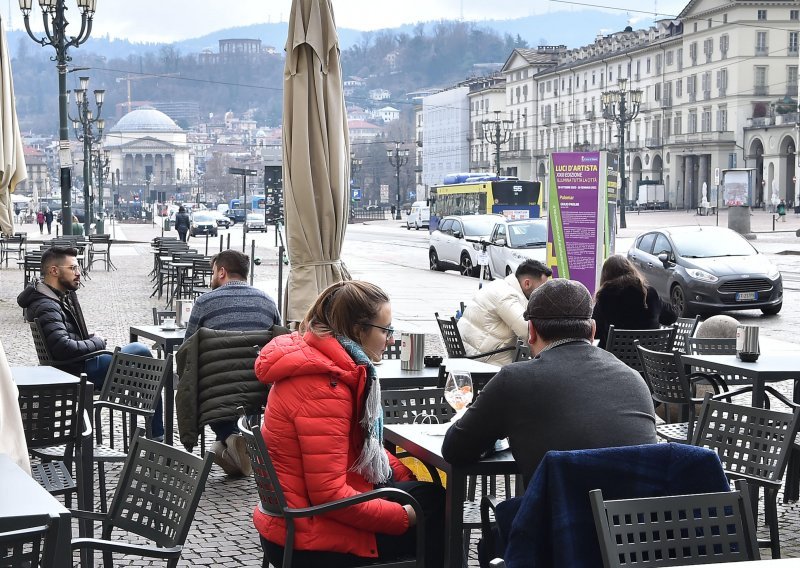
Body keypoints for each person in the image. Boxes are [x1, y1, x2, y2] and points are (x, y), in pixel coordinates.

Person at [253, 280, 445, 568]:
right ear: (358, 330)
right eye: (386, 330)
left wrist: (404, 481)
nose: (390, 340)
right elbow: (328, 493)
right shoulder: (325, 387)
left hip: (298, 521)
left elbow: (358, 448)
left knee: (432, 497)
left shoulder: (322, 365)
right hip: (310, 538)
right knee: (438, 514)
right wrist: (404, 516)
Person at [442, 278, 658, 486]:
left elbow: (455, 449)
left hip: (557, 519)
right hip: (638, 520)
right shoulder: (634, 379)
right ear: (592, 330)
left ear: (532, 331)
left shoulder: (515, 381)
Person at [16, 246, 163, 439]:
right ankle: (157, 435)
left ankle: (155, 433)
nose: (79, 274)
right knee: (141, 351)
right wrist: (97, 342)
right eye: (73, 268)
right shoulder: (47, 305)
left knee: (144, 367)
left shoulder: (50, 299)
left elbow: (63, 341)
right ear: (54, 271)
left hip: (77, 365)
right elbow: (63, 347)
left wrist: (88, 340)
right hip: (78, 371)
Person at [181, 249, 281, 475]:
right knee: (241, 390)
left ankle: (228, 438)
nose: (212, 277)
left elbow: (188, 347)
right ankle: (237, 444)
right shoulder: (267, 301)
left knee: (206, 386)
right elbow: (280, 342)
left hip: (215, 392)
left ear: (222, 272)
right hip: (259, 387)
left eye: (214, 272)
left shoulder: (204, 303)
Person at [457, 259, 552, 365]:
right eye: (542, 288)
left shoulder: (499, 285)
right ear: (527, 283)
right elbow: (528, 333)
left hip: (473, 352)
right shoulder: (506, 296)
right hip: (486, 360)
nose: (543, 293)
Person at [592, 255, 677, 349]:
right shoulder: (649, 293)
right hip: (648, 360)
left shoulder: (605, 296)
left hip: (615, 360)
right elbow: (671, 317)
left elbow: (595, 331)